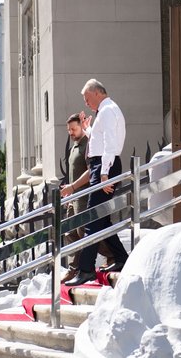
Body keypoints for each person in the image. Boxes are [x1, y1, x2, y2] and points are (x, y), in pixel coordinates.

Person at [64, 79, 129, 286]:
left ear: (97, 93)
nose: (86, 103)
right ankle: (120, 258)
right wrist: (88, 129)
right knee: (102, 219)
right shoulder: (106, 110)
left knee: (92, 219)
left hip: (103, 168)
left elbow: (110, 144)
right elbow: (100, 142)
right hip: (100, 166)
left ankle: (86, 269)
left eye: (87, 98)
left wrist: (104, 174)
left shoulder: (108, 110)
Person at [60, 113, 114, 283]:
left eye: (74, 129)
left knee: (84, 231)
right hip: (74, 197)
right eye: (69, 130)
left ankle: (111, 255)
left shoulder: (88, 145)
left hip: (84, 195)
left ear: (81, 128)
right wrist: (70, 191)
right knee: (69, 231)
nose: (71, 132)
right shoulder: (74, 148)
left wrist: (74, 187)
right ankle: (74, 268)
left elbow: (92, 170)